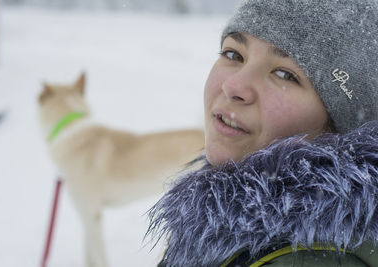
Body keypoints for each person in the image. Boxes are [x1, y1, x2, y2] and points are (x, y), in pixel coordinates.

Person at [147, 0, 378, 266]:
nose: (233, 86)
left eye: (284, 74)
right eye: (234, 55)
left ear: (340, 126)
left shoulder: (311, 259)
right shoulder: (225, 219)